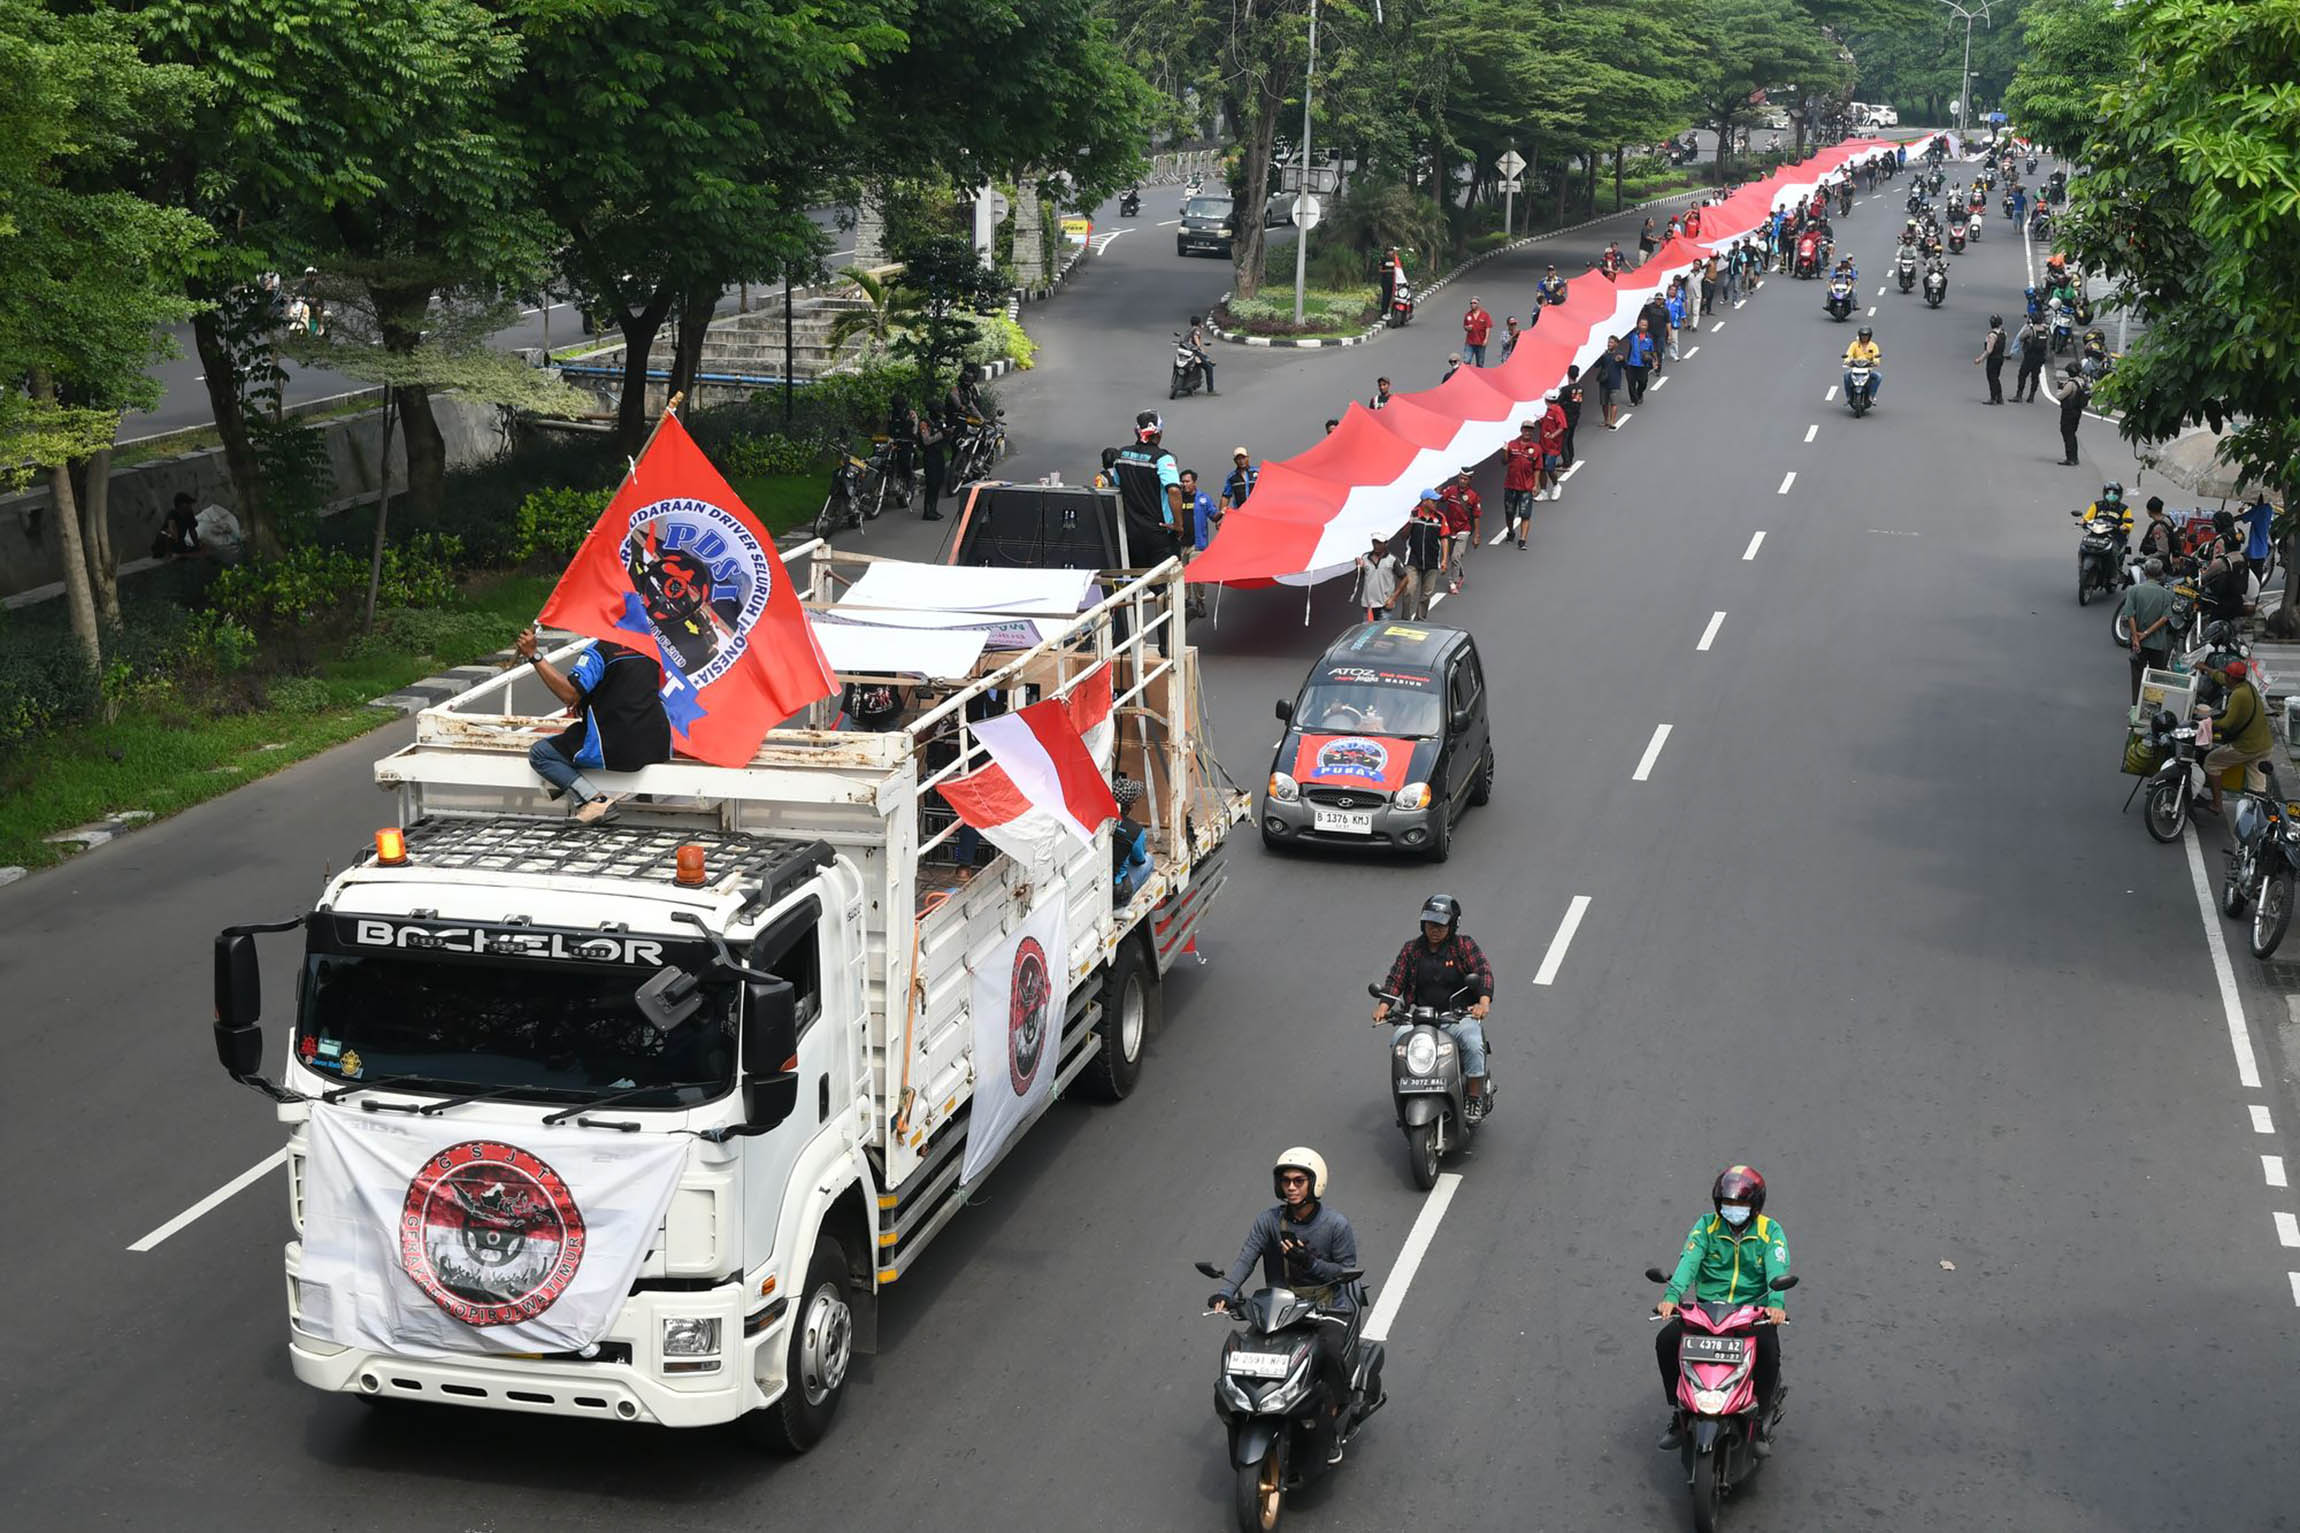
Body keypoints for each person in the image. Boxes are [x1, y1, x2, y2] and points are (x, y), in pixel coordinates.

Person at [1209, 1148, 1371, 1465]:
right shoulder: (1268, 1221)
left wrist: (1308, 1262)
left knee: (1330, 1353)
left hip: (1325, 1307)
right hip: (1280, 1310)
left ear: (1314, 1183)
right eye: (1286, 1181)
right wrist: (1226, 1292)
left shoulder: (1335, 1225)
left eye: (1299, 1180)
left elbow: (1344, 1272)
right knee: (1247, 1355)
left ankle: (1336, 1417)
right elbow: (1246, 1257)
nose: (1291, 1187)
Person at [1653, 1166, 1790, 1455]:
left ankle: (1760, 1423)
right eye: (1728, 1204)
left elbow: (1777, 1269)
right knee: (1666, 1342)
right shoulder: (1706, 1227)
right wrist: (1671, 1296)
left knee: (1769, 1353)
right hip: (1708, 1311)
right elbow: (1689, 1261)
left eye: (1740, 1205)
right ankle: (1677, 1414)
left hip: (1751, 1314)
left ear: (1754, 1206)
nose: (1733, 1210)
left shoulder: (1770, 1232)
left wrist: (1775, 1306)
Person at [517, 627, 672, 824]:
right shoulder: (649, 647)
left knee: (541, 753)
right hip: (658, 744)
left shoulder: (600, 651)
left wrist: (533, 655)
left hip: (615, 747)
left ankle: (595, 801)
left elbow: (569, 694)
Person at [1372, 893, 1495, 1115]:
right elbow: (1396, 979)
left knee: (1472, 1041)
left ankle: (1474, 1098)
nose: (1434, 929)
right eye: (1430, 923)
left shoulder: (1463, 946)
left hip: (1456, 1017)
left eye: (1440, 924)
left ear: (1452, 925)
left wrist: (1483, 1002)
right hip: (1420, 1018)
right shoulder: (1412, 949)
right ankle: (1405, 1093)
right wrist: (1384, 1006)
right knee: (1398, 1042)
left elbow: (1483, 971)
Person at [1111, 409, 1187, 563]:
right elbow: (1173, 490)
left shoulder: (1120, 456)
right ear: (1159, 434)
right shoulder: (1163, 459)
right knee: (1163, 581)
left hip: (1130, 531)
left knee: (1136, 580)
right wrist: (1178, 524)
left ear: (1136, 432)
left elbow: (1117, 488)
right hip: (1158, 532)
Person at [2200, 659, 2273, 815]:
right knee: (2257, 788)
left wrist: (2207, 723)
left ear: (2232, 679)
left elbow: (2227, 723)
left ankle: (2216, 804)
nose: (2225, 678)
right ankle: (2259, 817)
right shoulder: (2249, 687)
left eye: (2227, 676)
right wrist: (2205, 668)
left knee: (2211, 762)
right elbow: (2221, 678)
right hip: (2264, 745)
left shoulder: (2238, 695)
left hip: (2246, 746)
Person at [2119, 559, 2178, 702]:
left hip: (2138, 644)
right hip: (2157, 644)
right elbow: (2165, 618)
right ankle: (2150, 706)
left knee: (2137, 676)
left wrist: (2136, 637)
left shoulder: (2134, 590)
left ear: (2145, 573)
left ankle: (2135, 706)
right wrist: (2146, 633)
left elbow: (2130, 615)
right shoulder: (2166, 594)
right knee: (2156, 677)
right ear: (2160, 575)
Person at [1396, 490, 1450, 620]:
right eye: (1433, 501)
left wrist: (1444, 560)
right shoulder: (1413, 514)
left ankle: (1420, 620)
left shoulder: (1440, 518)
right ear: (1424, 501)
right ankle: (1406, 620)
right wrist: (1410, 522)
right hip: (1413, 560)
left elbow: (1444, 539)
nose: (1436, 503)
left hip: (1432, 562)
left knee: (1426, 594)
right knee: (1409, 590)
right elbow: (1403, 536)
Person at [1439, 468, 1481, 593]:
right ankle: (1460, 573)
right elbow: (1440, 498)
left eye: (1465, 479)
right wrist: (1439, 486)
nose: (1462, 481)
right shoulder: (1451, 490)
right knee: (1453, 556)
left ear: (1469, 480)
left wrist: (1476, 535)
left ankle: (1453, 582)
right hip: (1450, 529)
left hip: (1464, 529)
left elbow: (1477, 516)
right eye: (1461, 478)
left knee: (1456, 556)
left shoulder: (1474, 496)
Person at [1502, 419, 1541, 550]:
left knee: (1525, 514)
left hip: (1526, 488)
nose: (1527, 432)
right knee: (1509, 512)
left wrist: (1536, 485)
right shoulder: (1512, 445)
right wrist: (1505, 451)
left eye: (1530, 430)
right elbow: (1504, 462)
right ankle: (1510, 531)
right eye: (1525, 429)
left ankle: (1522, 539)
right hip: (1511, 486)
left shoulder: (1536, 449)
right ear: (1521, 430)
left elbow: (1537, 468)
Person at [1111, 776, 1152, 898]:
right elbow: (1139, 861)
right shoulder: (1136, 831)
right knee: (1148, 860)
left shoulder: (1104, 820)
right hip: (1117, 892)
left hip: (1105, 881)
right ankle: (1123, 904)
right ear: (1132, 805)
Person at [1353, 535, 1402, 620]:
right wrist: (1359, 567)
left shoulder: (1392, 560)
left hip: (1384, 605)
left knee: (1383, 631)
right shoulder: (1365, 558)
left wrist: (1393, 598)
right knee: (1367, 632)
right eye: (1374, 542)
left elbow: (1405, 579)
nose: (1376, 545)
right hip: (1368, 606)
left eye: (1379, 543)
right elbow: (1357, 577)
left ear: (1386, 543)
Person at [150, 491, 202, 561]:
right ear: (181, 505)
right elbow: (172, 530)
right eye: (187, 503)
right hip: (165, 543)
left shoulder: (189, 514)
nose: (190, 506)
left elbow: (192, 531)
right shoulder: (172, 514)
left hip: (178, 543)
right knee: (166, 534)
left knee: (189, 549)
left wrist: (197, 545)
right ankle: (167, 552)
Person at [1538, 391, 1569, 502]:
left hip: (1553, 446)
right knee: (1541, 468)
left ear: (1547, 400)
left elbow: (1562, 427)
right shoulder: (1549, 410)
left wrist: (1552, 436)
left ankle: (1556, 486)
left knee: (1549, 467)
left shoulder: (1557, 411)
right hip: (1543, 445)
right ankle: (1543, 491)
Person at [1181, 468, 1221, 553]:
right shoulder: (1177, 499)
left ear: (1194, 483)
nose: (1184, 484)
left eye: (1187, 481)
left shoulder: (1203, 498)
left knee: (1195, 566)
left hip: (1197, 546)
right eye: (1183, 482)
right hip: (1180, 545)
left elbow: (1214, 517)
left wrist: (1223, 512)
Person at [2058, 365, 2090, 465]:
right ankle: (2074, 457)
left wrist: (2060, 389)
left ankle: (2070, 458)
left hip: (2068, 411)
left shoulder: (2071, 383)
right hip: (2077, 411)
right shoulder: (2082, 381)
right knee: (2072, 433)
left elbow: (2060, 396)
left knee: (2067, 433)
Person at [1842, 327, 1882, 405]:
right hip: (1855, 368)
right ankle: (1849, 397)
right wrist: (1847, 360)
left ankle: (1871, 396)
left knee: (1878, 376)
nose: (1864, 337)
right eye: (1863, 335)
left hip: (1867, 369)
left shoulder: (1873, 346)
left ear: (1869, 336)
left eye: (1866, 336)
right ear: (1860, 336)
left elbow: (1876, 356)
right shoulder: (1854, 344)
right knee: (1846, 375)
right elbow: (1849, 353)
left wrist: (1875, 362)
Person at [2241, 493, 2276, 581]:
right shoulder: (2268, 508)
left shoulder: (2258, 510)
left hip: (2255, 552)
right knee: (2256, 577)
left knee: (2253, 577)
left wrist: (2230, 519)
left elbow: (2244, 518)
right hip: (2261, 550)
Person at [2014, 313, 2049, 402]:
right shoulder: (2045, 330)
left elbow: (2021, 337)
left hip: (2030, 355)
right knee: (2035, 376)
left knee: (2022, 374)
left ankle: (2019, 394)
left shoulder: (2031, 330)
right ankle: (2031, 396)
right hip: (2040, 356)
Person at [1974, 314, 2008, 404]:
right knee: (1996, 377)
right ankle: (1999, 397)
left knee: (1992, 378)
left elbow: (1989, 350)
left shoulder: (1992, 335)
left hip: (1993, 359)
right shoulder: (2003, 333)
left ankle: (1993, 398)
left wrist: (1980, 359)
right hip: (2000, 358)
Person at [1595, 336, 1627, 429]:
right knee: (1604, 403)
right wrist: (1601, 356)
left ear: (1616, 344)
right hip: (1604, 382)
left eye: (1612, 342)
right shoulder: (1605, 355)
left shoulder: (1620, 354)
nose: (1609, 344)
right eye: (1609, 342)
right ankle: (1606, 420)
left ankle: (1612, 422)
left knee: (1614, 403)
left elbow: (1626, 367)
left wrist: (1622, 360)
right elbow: (1596, 365)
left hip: (1615, 382)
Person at [1624, 321, 1657, 406]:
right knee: (1631, 383)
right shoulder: (1633, 335)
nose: (1643, 326)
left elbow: (1653, 351)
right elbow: (1623, 333)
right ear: (1638, 325)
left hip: (1643, 365)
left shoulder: (1649, 338)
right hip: (1632, 363)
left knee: (1643, 382)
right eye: (1642, 324)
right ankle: (1634, 401)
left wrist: (1655, 361)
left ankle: (1639, 394)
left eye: (1645, 325)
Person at [1183, 316, 1217, 396]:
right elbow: (1196, 337)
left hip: (1185, 351)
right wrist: (1200, 348)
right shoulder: (1196, 330)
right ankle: (1210, 390)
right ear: (1199, 323)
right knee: (1209, 368)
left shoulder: (1189, 330)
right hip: (1193, 351)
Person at [1559, 364, 1585, 468]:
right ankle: (1570, 457)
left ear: (1568, 374)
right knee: (1570, 438)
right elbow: (1577, 402)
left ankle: (1566, 462)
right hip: (1575, 416)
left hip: (1566, 417)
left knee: (1563, 440)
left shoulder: (1565, 390)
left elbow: (1559, 402)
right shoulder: (1580, 388)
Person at [1222, 447, 1259, 513]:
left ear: (1248, 457)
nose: (1241, 461)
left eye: (1243, 458)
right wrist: (1221, 516)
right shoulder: (1232, 477)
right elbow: (1226, 497)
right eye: (1238, 459)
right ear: (1235, 460)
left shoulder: (1258, 472)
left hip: (1257, 512)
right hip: (1240, 513)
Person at [1462, 297, 1493, 367]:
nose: (1472, 304)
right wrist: (1467, 328)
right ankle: (1467, 376)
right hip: (1470, 342)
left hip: (1481, 343)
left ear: (1478, 304)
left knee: (1480, 363)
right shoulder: (1468, 315)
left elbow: (1488, 327)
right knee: (1466, 361)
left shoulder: (1485, 315)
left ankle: (1477, 377)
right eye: (1471, 303)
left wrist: (1486, 339)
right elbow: (1464, 326)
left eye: (1474, 303)